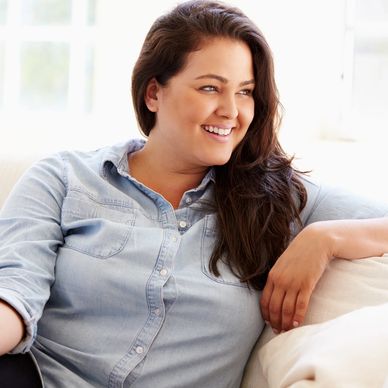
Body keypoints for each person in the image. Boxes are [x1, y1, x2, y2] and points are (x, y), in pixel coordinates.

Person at [0, 1, 387, 387]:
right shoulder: (64, 178)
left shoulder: (279, 199)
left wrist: (325, 237)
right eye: (210, 88)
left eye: (246, 92)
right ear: (154, 93)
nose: (231, 111)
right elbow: (14, 295)